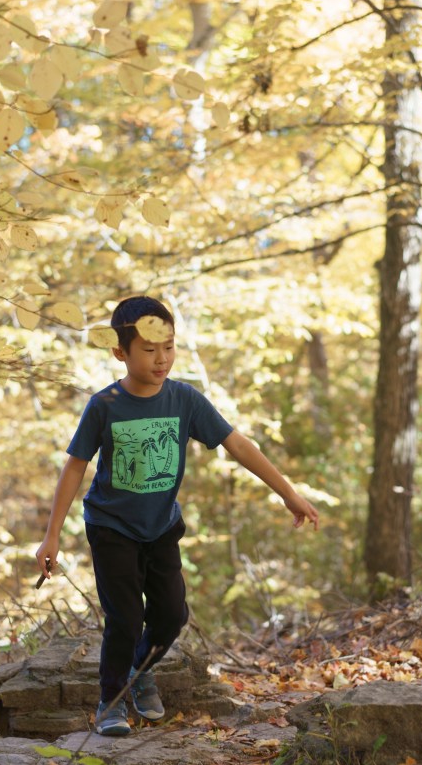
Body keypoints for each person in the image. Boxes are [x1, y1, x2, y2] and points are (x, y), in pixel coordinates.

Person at [35, 296, 319, 736]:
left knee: (171, 615)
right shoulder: (105, 404)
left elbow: (238, 444)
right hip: (111, 527)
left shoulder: (184, 398)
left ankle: (139, 669)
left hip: (161, 527)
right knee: (125, 618)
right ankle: (110, 702)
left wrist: (288, 493)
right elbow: (75, 466)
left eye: (168, 347)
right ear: (120, 352)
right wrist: (51, 535)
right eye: (149, 350)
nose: (162, 359)